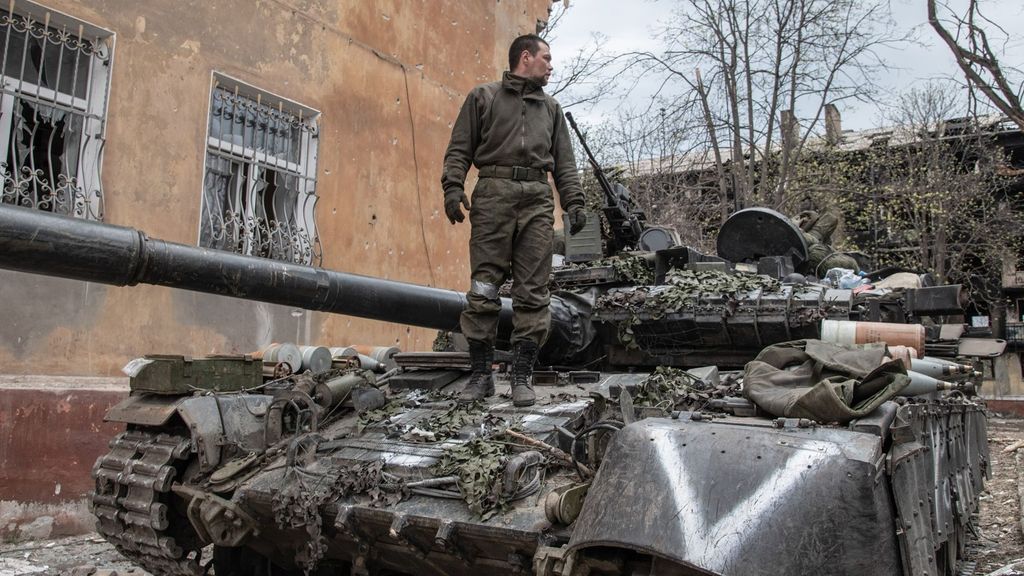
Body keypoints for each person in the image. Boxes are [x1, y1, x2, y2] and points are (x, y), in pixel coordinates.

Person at [441, 34, 586, 407]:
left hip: (537, 199)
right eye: (547, 58)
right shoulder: (483, 97)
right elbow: (460, 147)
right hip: (492, 194)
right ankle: (480, 377)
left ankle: (522, 377)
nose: (551, 66)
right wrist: (453, 187)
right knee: (484, 287)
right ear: (526, 57)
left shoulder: (551, 109)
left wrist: (574, 202)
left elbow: (565, 164)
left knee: (533, 291)